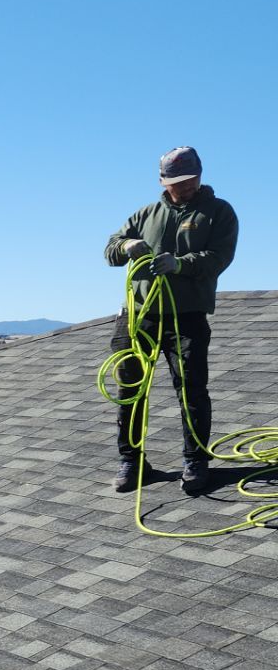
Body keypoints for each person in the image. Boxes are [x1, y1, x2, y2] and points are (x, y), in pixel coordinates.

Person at [105, 146, 238, 495]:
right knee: (130, 391)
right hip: (138, 315)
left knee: (191, 390)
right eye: (178, 182)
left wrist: (180, 264)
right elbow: (110, 248)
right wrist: (127, 245)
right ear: (163, 181)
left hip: (187, 317)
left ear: (200, 175)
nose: (185, 187)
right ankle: (132, 463)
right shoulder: (147, 214)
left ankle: (195, 461)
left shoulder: (218, 212)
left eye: (190, 180)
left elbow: (219, 257)